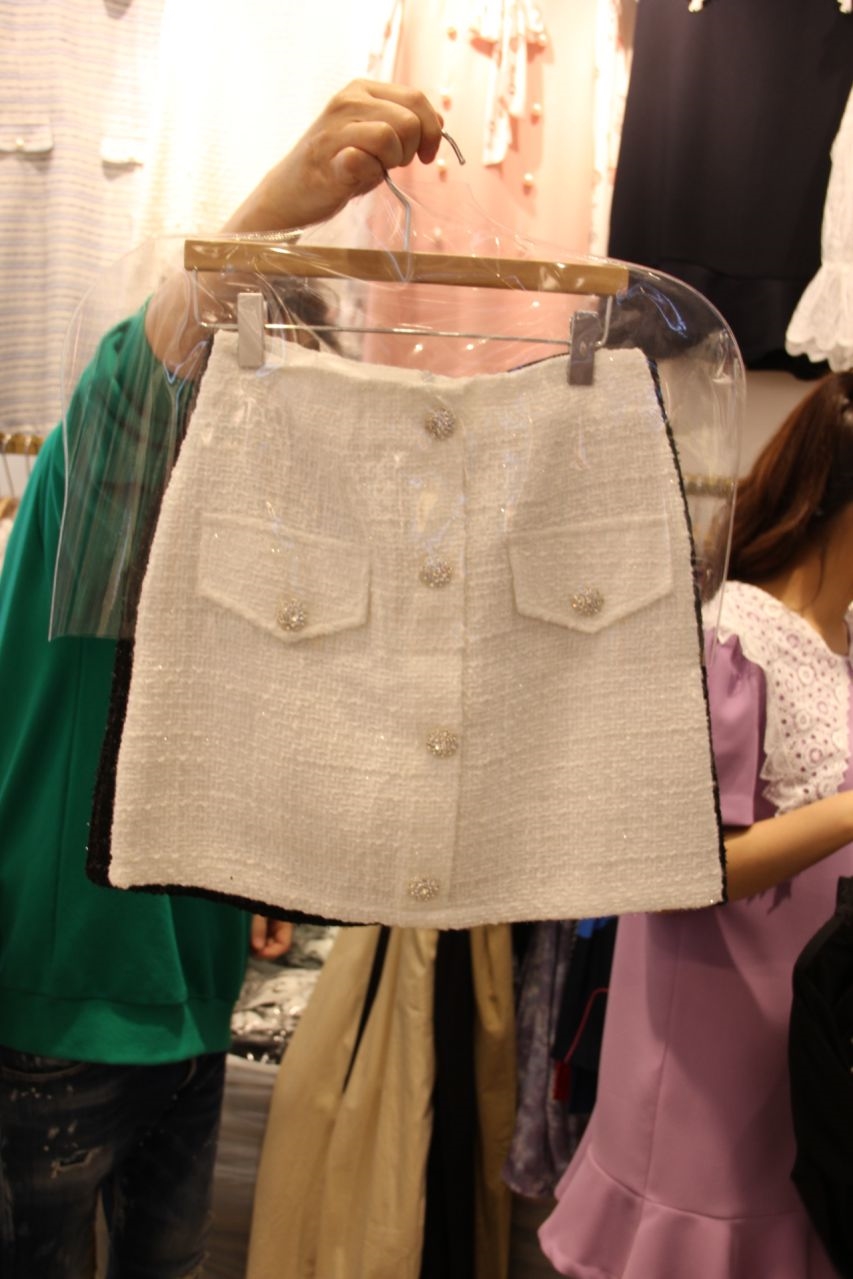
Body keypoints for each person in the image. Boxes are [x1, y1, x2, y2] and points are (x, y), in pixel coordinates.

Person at [0, 80, 444, 1279]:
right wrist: (274, 211)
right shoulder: (103, 493)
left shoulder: (248, 549)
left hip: (189, 1006)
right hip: (55, 1015)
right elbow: (138, 378)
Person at [539, 370, 853, 1278]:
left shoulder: (841, 644)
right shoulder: (733, 635)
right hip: (709, 1058)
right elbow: (688, 863)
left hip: (803, 1049)